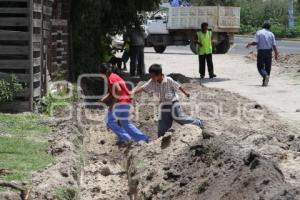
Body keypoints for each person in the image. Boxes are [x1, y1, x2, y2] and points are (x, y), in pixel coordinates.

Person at [133, 64, 204, 137]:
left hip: (173, 103)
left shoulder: (169, 80)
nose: (152, 77)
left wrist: (185, 93)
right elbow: (143, 87)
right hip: (163, 105)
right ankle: (160, 138)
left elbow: (178, 86)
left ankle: (198, 123)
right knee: (162, 125)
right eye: (151, 76)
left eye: (153, 76)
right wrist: (133, 92)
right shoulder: (152, 82)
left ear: (160, 74)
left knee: (179, 117)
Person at [99, 63, 149, 145]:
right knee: (125, 122)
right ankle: (142, 138)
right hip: (127, 101)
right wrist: (103, 99)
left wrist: (112, 105)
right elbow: (112, 92)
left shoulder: (111, 78)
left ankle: (126, 138)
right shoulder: (114, 76)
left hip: (120, 102)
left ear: (102, 72)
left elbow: (118, 91)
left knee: (109, 120)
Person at [246, 21, 279, 87]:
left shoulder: (259, 32)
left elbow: (256, 42)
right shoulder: (271, 34)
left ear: (263, 26)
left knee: (260, 66)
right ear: (269, 27)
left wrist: (249, 44)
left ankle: (265, 76)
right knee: (268, 67)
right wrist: (276, 54)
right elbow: (274, 45)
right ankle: (265, 82)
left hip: (261, 52)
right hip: (269, 52)